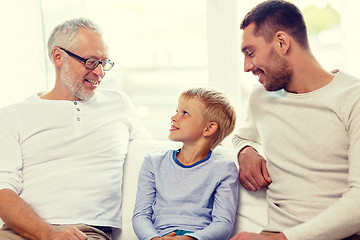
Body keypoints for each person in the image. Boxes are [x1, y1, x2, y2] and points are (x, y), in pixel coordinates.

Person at [0, 18, 150, 240]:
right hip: (20, 231)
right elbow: (3, 191)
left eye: (104, 62)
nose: (100, 73)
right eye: (90, 62)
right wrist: (49, 234)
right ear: (58, 56)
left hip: (87, 233)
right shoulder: (13, 115)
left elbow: (158, 161)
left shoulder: (119, 104)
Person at [231, 1, 360, 240]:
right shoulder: (261, 97)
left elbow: (358, 204)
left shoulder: (354, 98)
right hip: (274, 233)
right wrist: (245, 150)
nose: (247, 66)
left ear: (281, 42)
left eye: (251, 53)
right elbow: (241, 136)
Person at [132, 87, 239, 240]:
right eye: (176, 111)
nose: (174, 117)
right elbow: (140, 215)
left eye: (184, 113)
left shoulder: (224, 169)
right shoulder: (154, 161)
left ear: (209, 128)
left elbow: (223, 223)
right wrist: (153, 238)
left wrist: (191, 238)